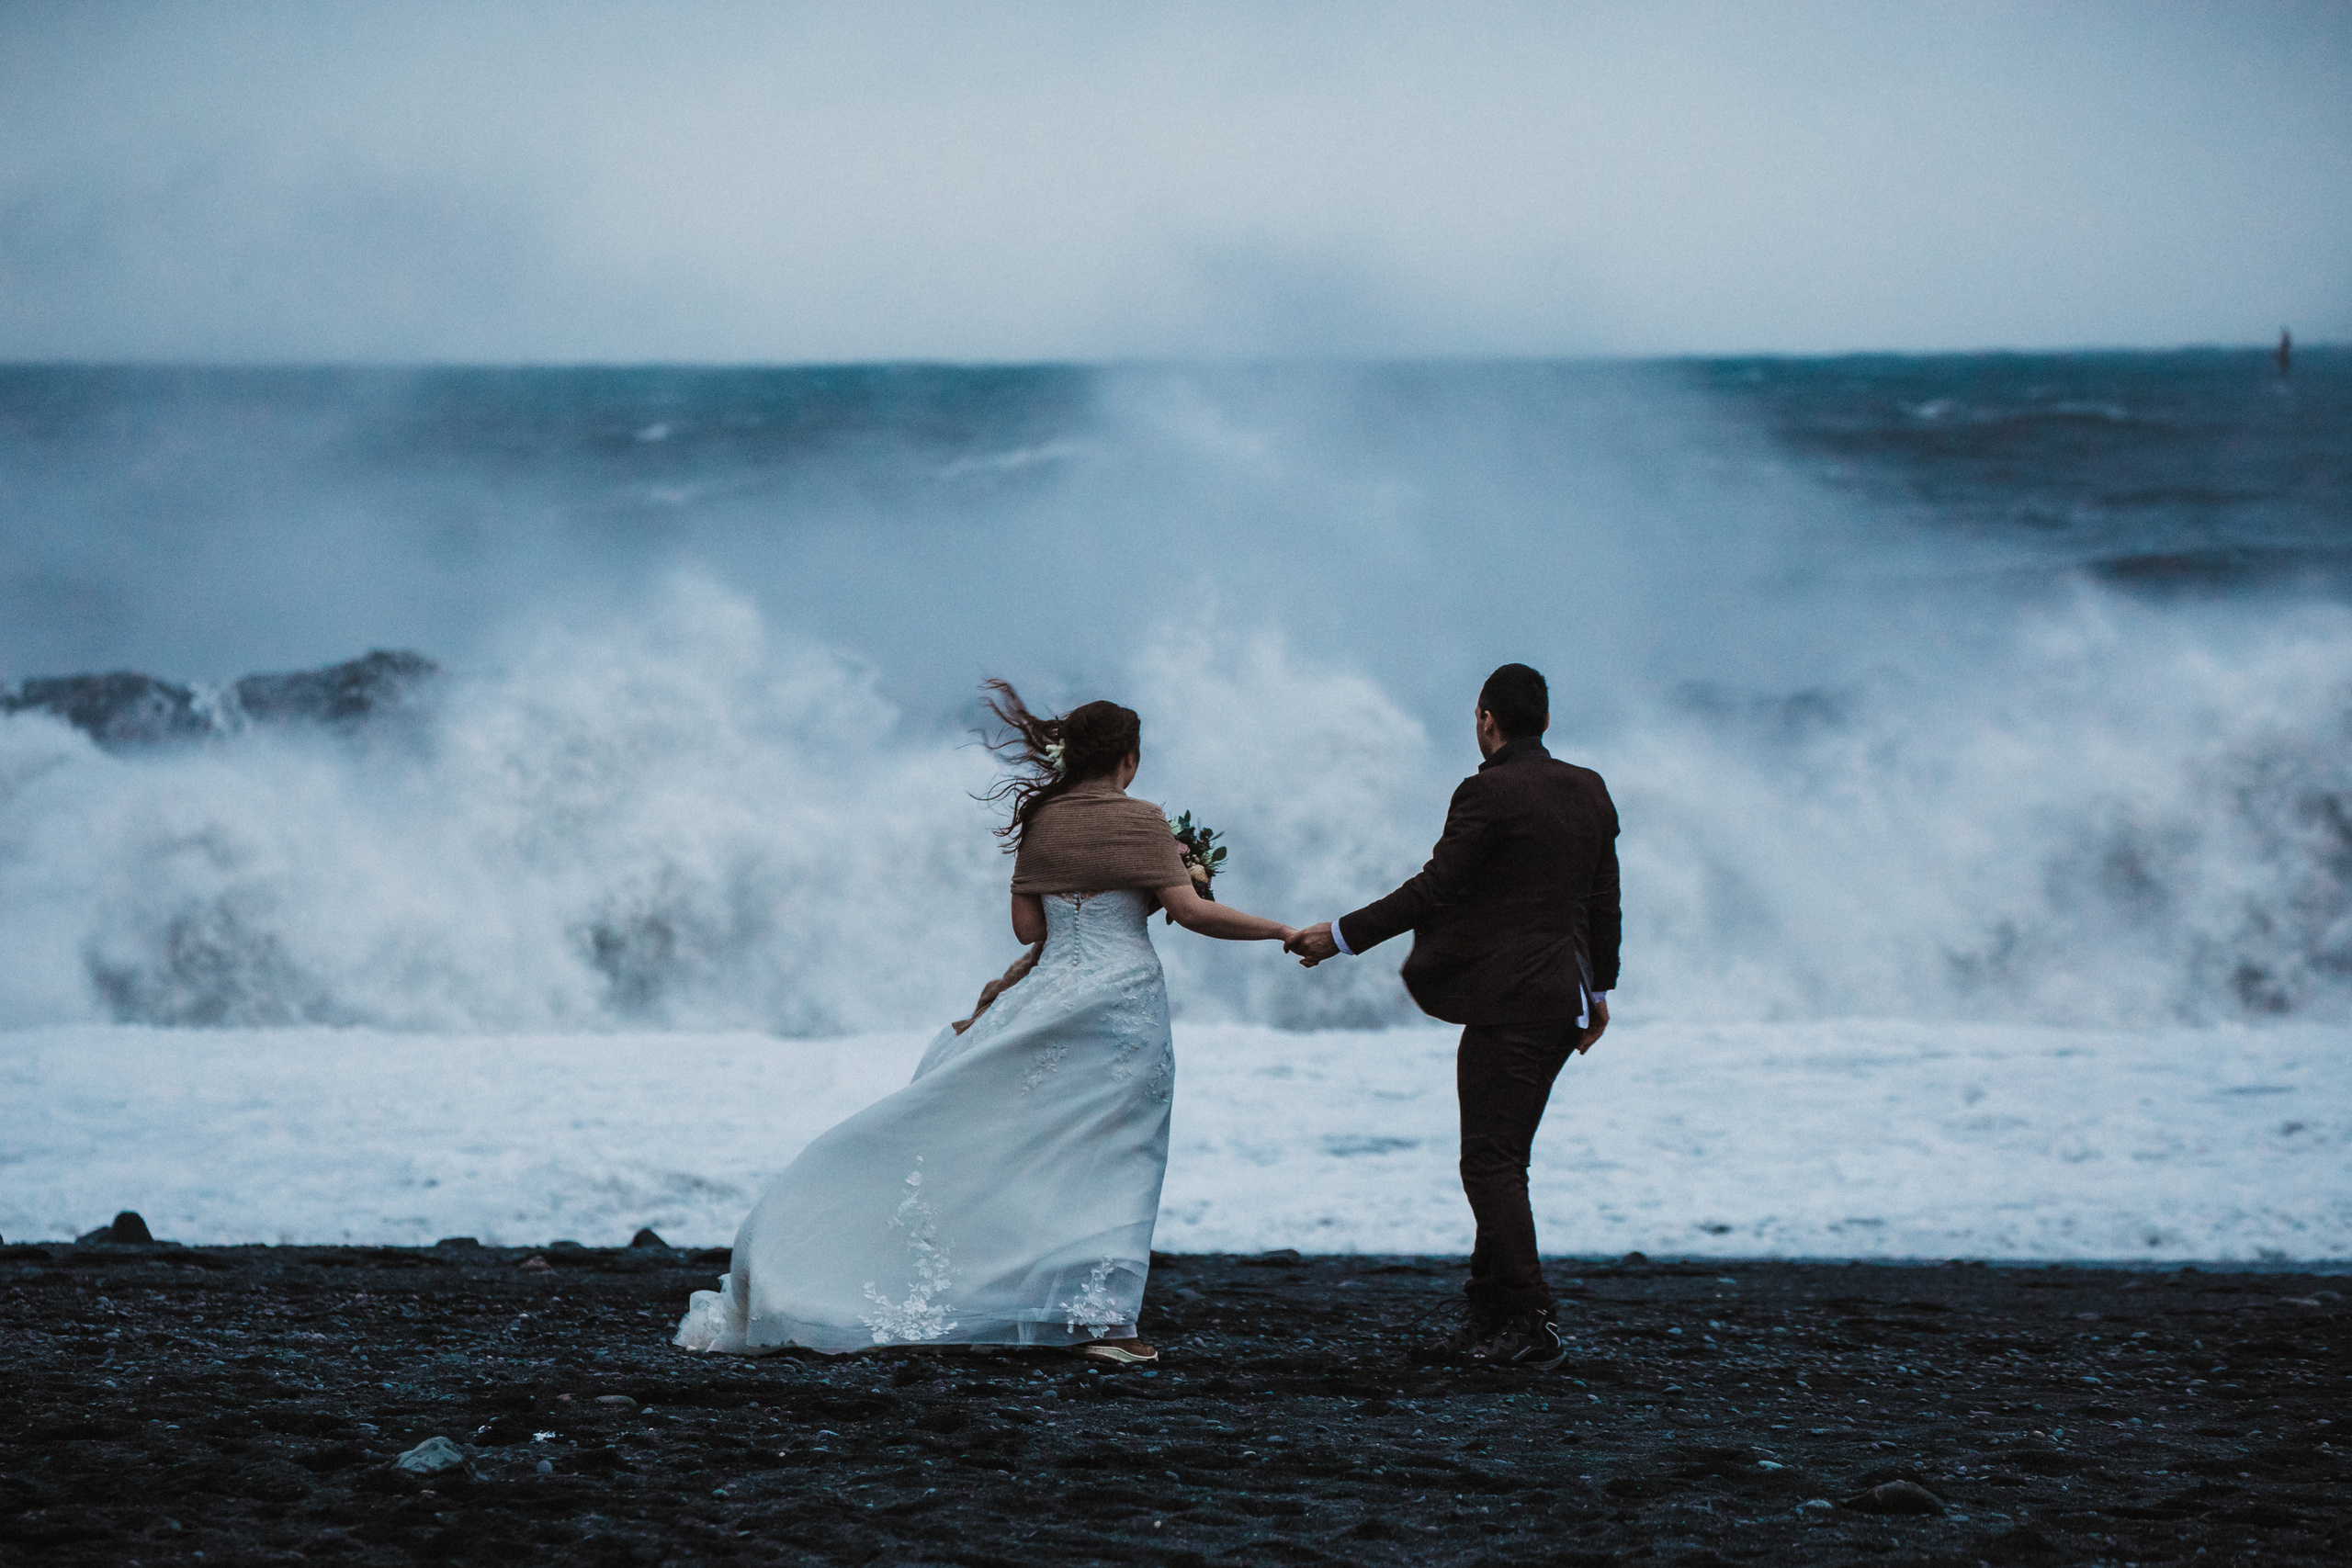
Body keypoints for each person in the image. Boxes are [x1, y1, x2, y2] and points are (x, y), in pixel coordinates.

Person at [674, 682, 1295, 1365]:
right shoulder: (1144, 821)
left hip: (1053, 992)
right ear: (1129, 757)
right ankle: (1105, 1323)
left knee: (1034, 1145)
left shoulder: (1046, 821)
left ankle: (1069, 1309)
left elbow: (1029, 926)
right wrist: (1281, 929)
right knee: (1117, 1152)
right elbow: (1194, 914)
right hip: (1122, 1002)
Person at [1287, 662, 1620, 1371]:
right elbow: (1603, 903)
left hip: (1512, 1001)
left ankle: (1528, 1319)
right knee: (1504, 1156)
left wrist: (1340, 935)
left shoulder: (1487, 791)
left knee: (1489, 1160)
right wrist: (1599, 992)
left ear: (1486, 719)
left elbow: (1436, 887)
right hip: (1563, 998)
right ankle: (1488, 1314)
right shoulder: (1589, 788)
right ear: (1547, 722)